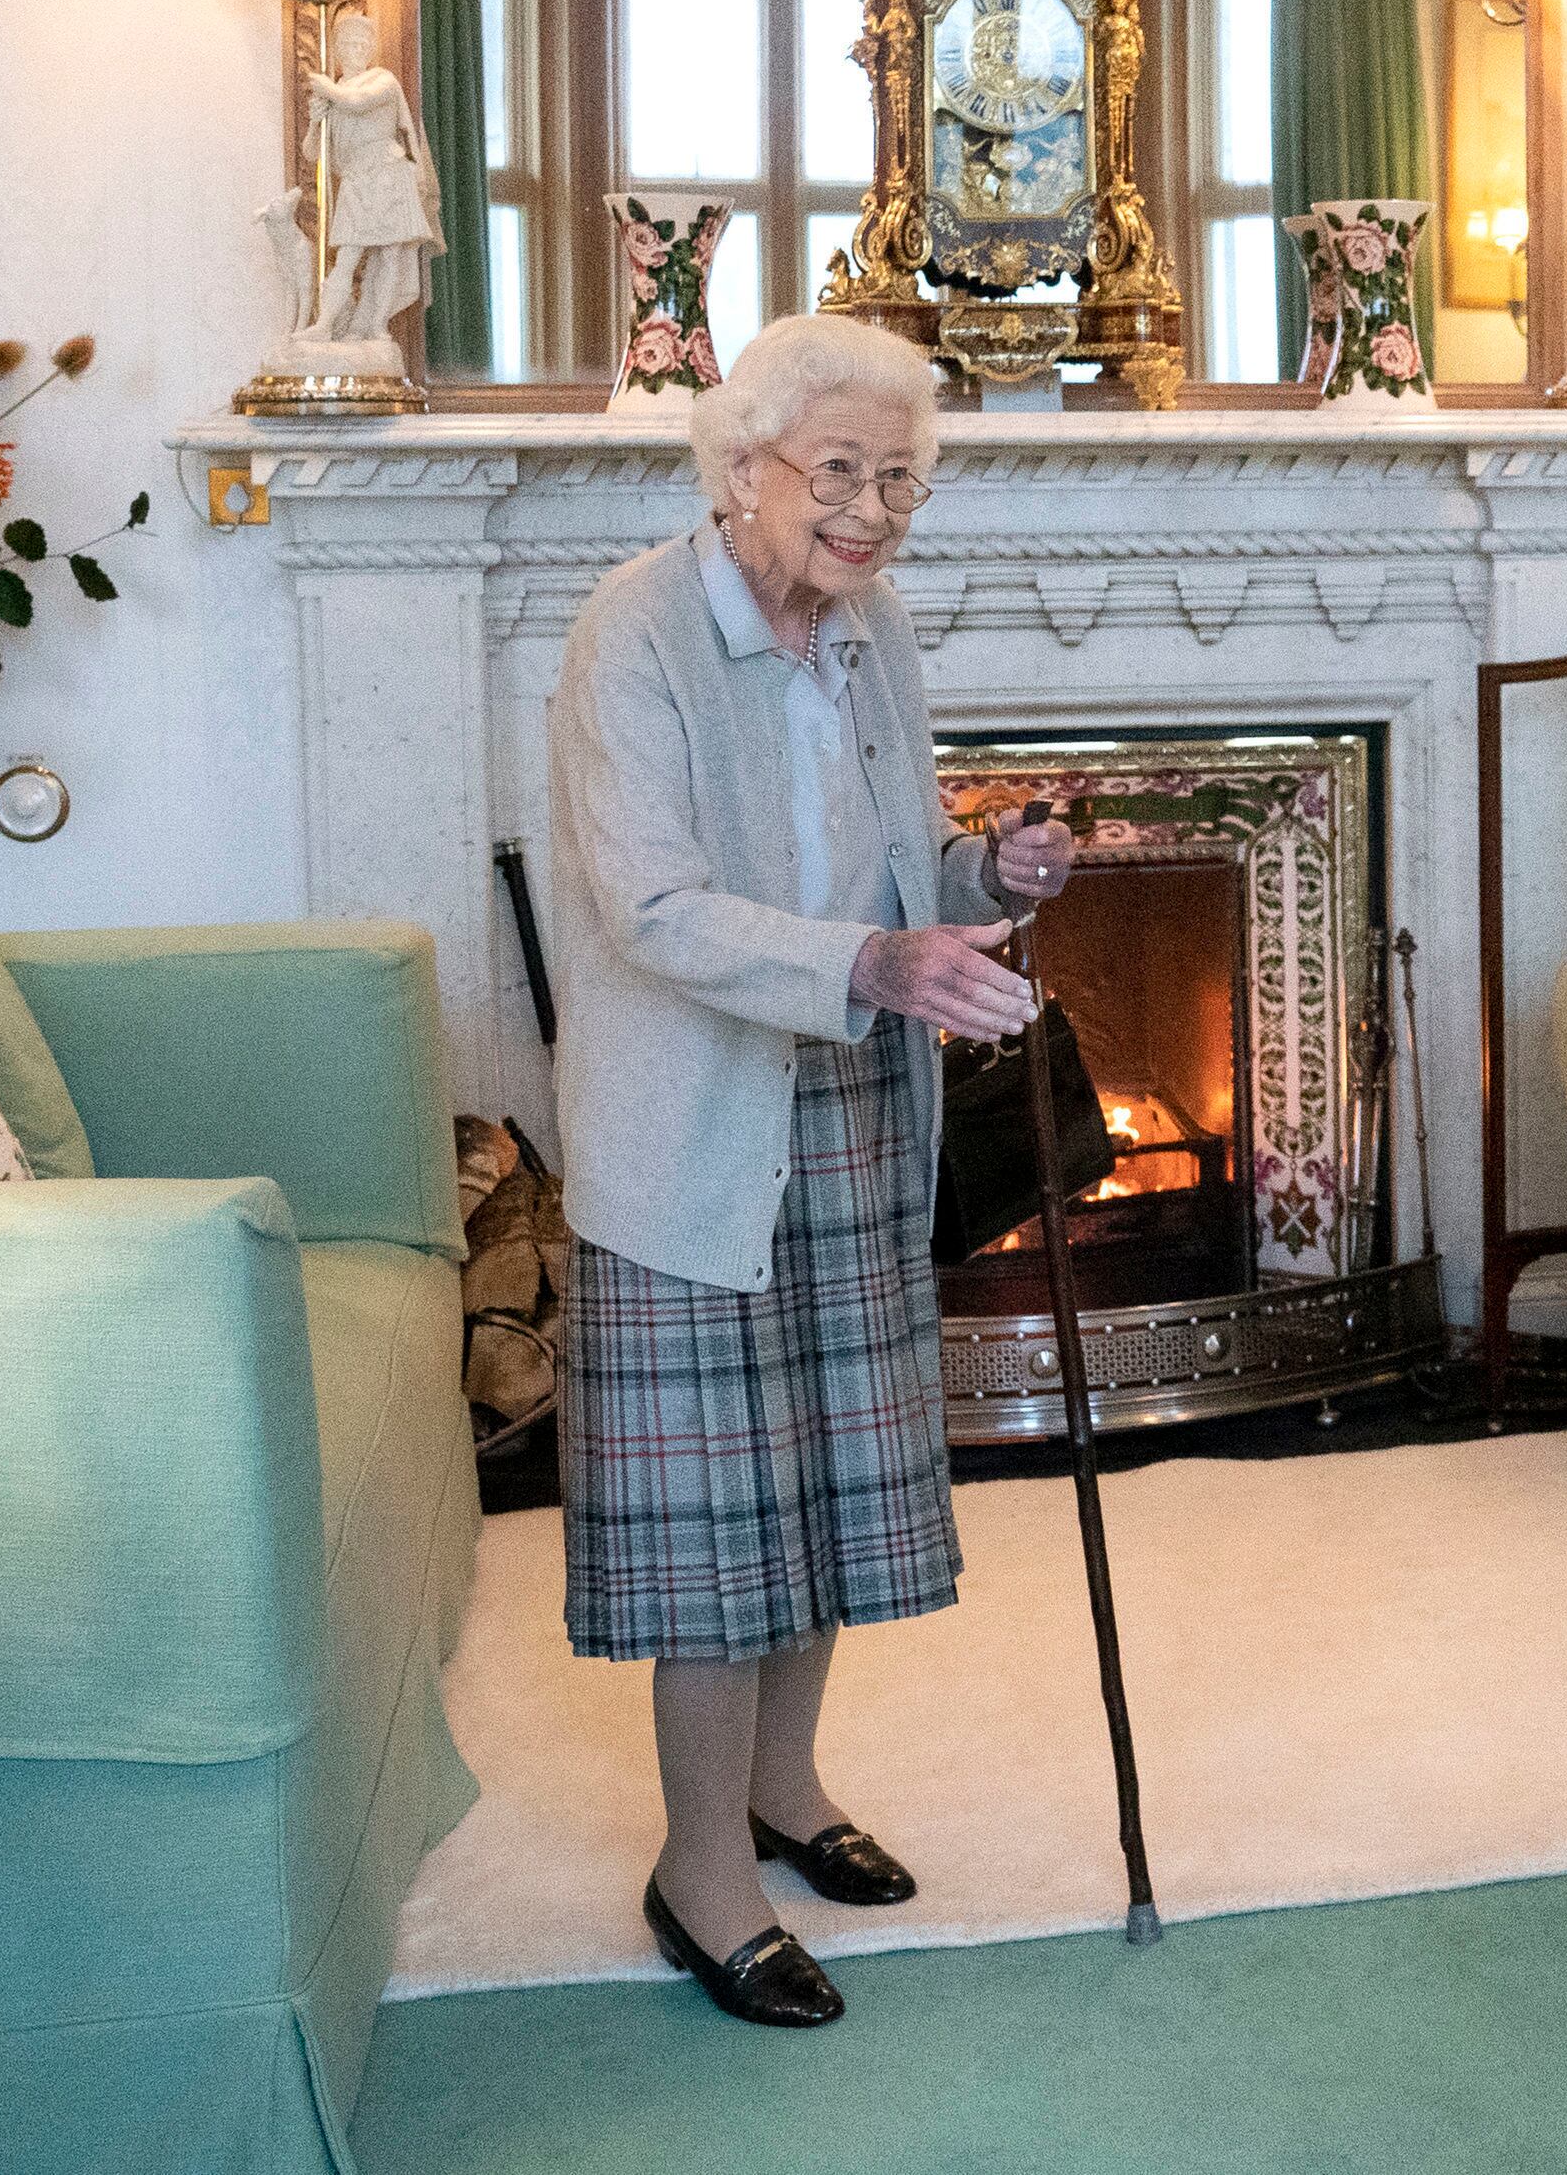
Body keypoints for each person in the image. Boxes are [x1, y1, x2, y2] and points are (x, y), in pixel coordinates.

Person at [545, 313, 1077, 2029]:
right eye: (839, 471)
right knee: (719, 1530)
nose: (870, 510)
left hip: (850, 1106)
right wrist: (877, 962)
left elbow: (894, 864)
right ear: (740, 466)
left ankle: (786, 1790)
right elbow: (651, 908)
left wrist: (987, 876)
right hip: (695, 1132)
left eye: (900, 480)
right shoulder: (633, 634)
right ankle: (701, 1866)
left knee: (827, 1495)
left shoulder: (872, 631)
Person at [294, 12, 442, 344]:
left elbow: (359, 102)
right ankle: (325, 324)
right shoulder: (334, 93)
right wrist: (316, 121)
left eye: (363, 44)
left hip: (388, 174)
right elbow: (311, 153)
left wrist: (328, 90)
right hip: (356, 180)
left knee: (389, 253)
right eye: (349, 44)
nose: (356, 50)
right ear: (338, 49)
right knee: (347, 256)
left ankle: (376, 325)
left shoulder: (382, 80)